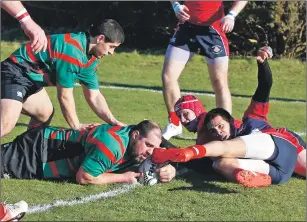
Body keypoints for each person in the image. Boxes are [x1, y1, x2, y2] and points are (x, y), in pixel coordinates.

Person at [152, 46, 304, 187]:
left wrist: (263, 64)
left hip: (287, 145)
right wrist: (170, 163)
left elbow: (264, 87)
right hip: (276, 172)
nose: (183, 121)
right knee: (220, 164)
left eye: (185, 114)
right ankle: (249, 177)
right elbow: (201, 165)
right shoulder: (211, 137)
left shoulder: (252, 119)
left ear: (230, 122)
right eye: (180, 117)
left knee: (224, 150)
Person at [1, 19, 126, 138]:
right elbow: (64, 95)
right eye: (111, 47)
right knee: (5, 125)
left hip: (29, 80)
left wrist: (113, 121)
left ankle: (23, 151)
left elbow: (94, 96)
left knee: (44, 114)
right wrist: (76, 125)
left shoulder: (91, 58)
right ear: (100, 38)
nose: (111, 53)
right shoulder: (72, 50)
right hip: (14, 73)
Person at [162, 0, 248, 140]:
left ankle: (225, 128)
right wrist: (176, 6)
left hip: (213, 30)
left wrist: (231, 15)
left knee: (219, 81)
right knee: (168, 76)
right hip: (187, 28)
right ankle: (175, 123)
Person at [1, 120, 176, 185]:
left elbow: (173, 151)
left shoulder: (133, 135)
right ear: (136, 135)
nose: (150, 152)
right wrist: (123, 177)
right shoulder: (113, 146)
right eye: (148, 145)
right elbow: (84, 177)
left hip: (43, 145)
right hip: (38, 153)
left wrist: (171, 167)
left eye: (154, 147)